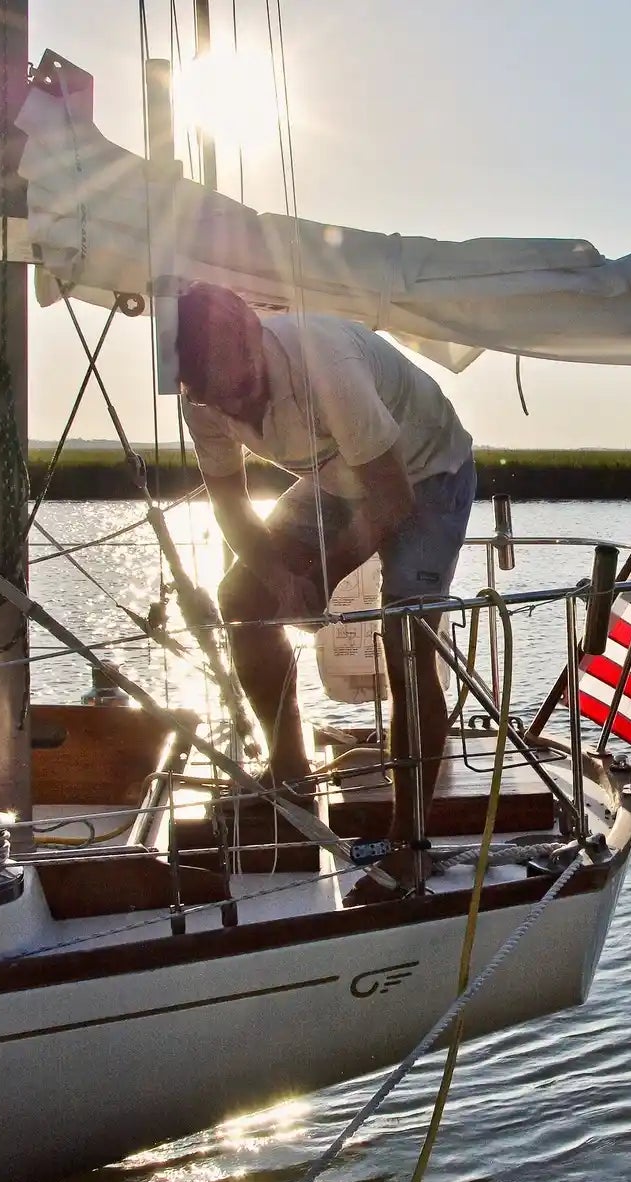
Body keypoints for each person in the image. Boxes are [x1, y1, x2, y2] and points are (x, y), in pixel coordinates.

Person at [175, 282, 475, 900]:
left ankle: (408, 843)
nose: (230, 410)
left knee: (406, 635)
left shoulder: (326, 364)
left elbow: (393, 497)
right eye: (210, 397)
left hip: (428, 470)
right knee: (242, 602)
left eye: (236, 390)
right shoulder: (200, 397)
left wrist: (322, 581)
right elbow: (230, 507)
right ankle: (289, 772)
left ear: (252, 337)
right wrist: (281, 580)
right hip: (337, 479)